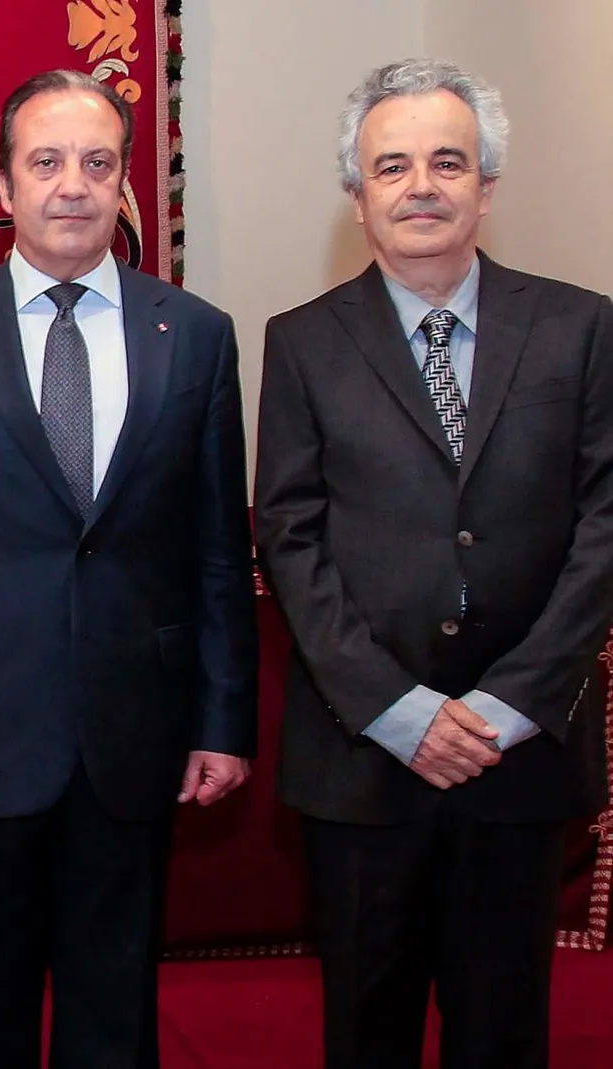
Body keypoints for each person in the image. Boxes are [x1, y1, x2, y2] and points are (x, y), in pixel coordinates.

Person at [0, 69, 258, 1069]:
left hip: (138, 727)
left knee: (113, 1008)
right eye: (45, 162)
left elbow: (217, 545)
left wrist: (221, 717)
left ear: (123, 183)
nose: (71, 185)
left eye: (95, 162)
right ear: (1, 186)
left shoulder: (195, 336)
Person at [255, 59, 613, 1069]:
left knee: (503, 1029)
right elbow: (289, 534)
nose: (421, 185)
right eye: (392, 165)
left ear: (485, 186)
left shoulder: (583, 330)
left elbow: (604, 528)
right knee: (365, 1029)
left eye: (447, 162)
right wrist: (400, 710)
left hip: (520, 759)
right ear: (357, 196)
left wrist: (502, 708)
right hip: (364, 759)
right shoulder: (302, 344)